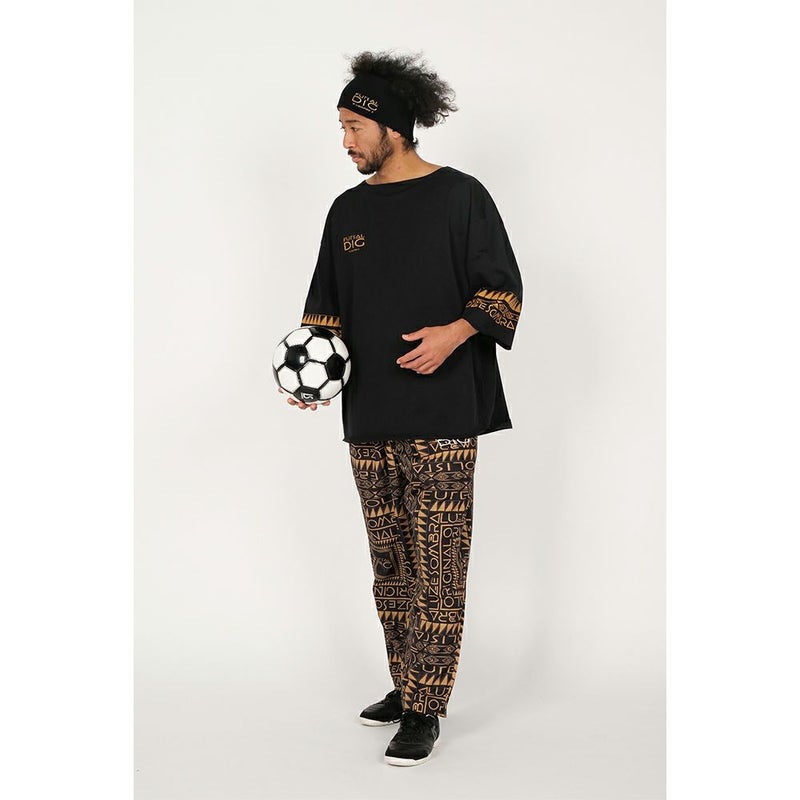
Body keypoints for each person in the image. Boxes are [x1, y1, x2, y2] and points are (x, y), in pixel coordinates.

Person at [278, 50, 523, 766]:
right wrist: (309, 376)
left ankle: (426, 708)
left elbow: (502, 290)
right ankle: (407, 682)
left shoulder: (461, 197)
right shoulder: (347, 211)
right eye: (341, 126)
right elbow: (324, 312)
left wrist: (455, 332)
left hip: (444, 413)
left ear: (392, 126)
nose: (345, 140)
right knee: (390, 563)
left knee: (438, 567)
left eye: (354, 126)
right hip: (369, 413)